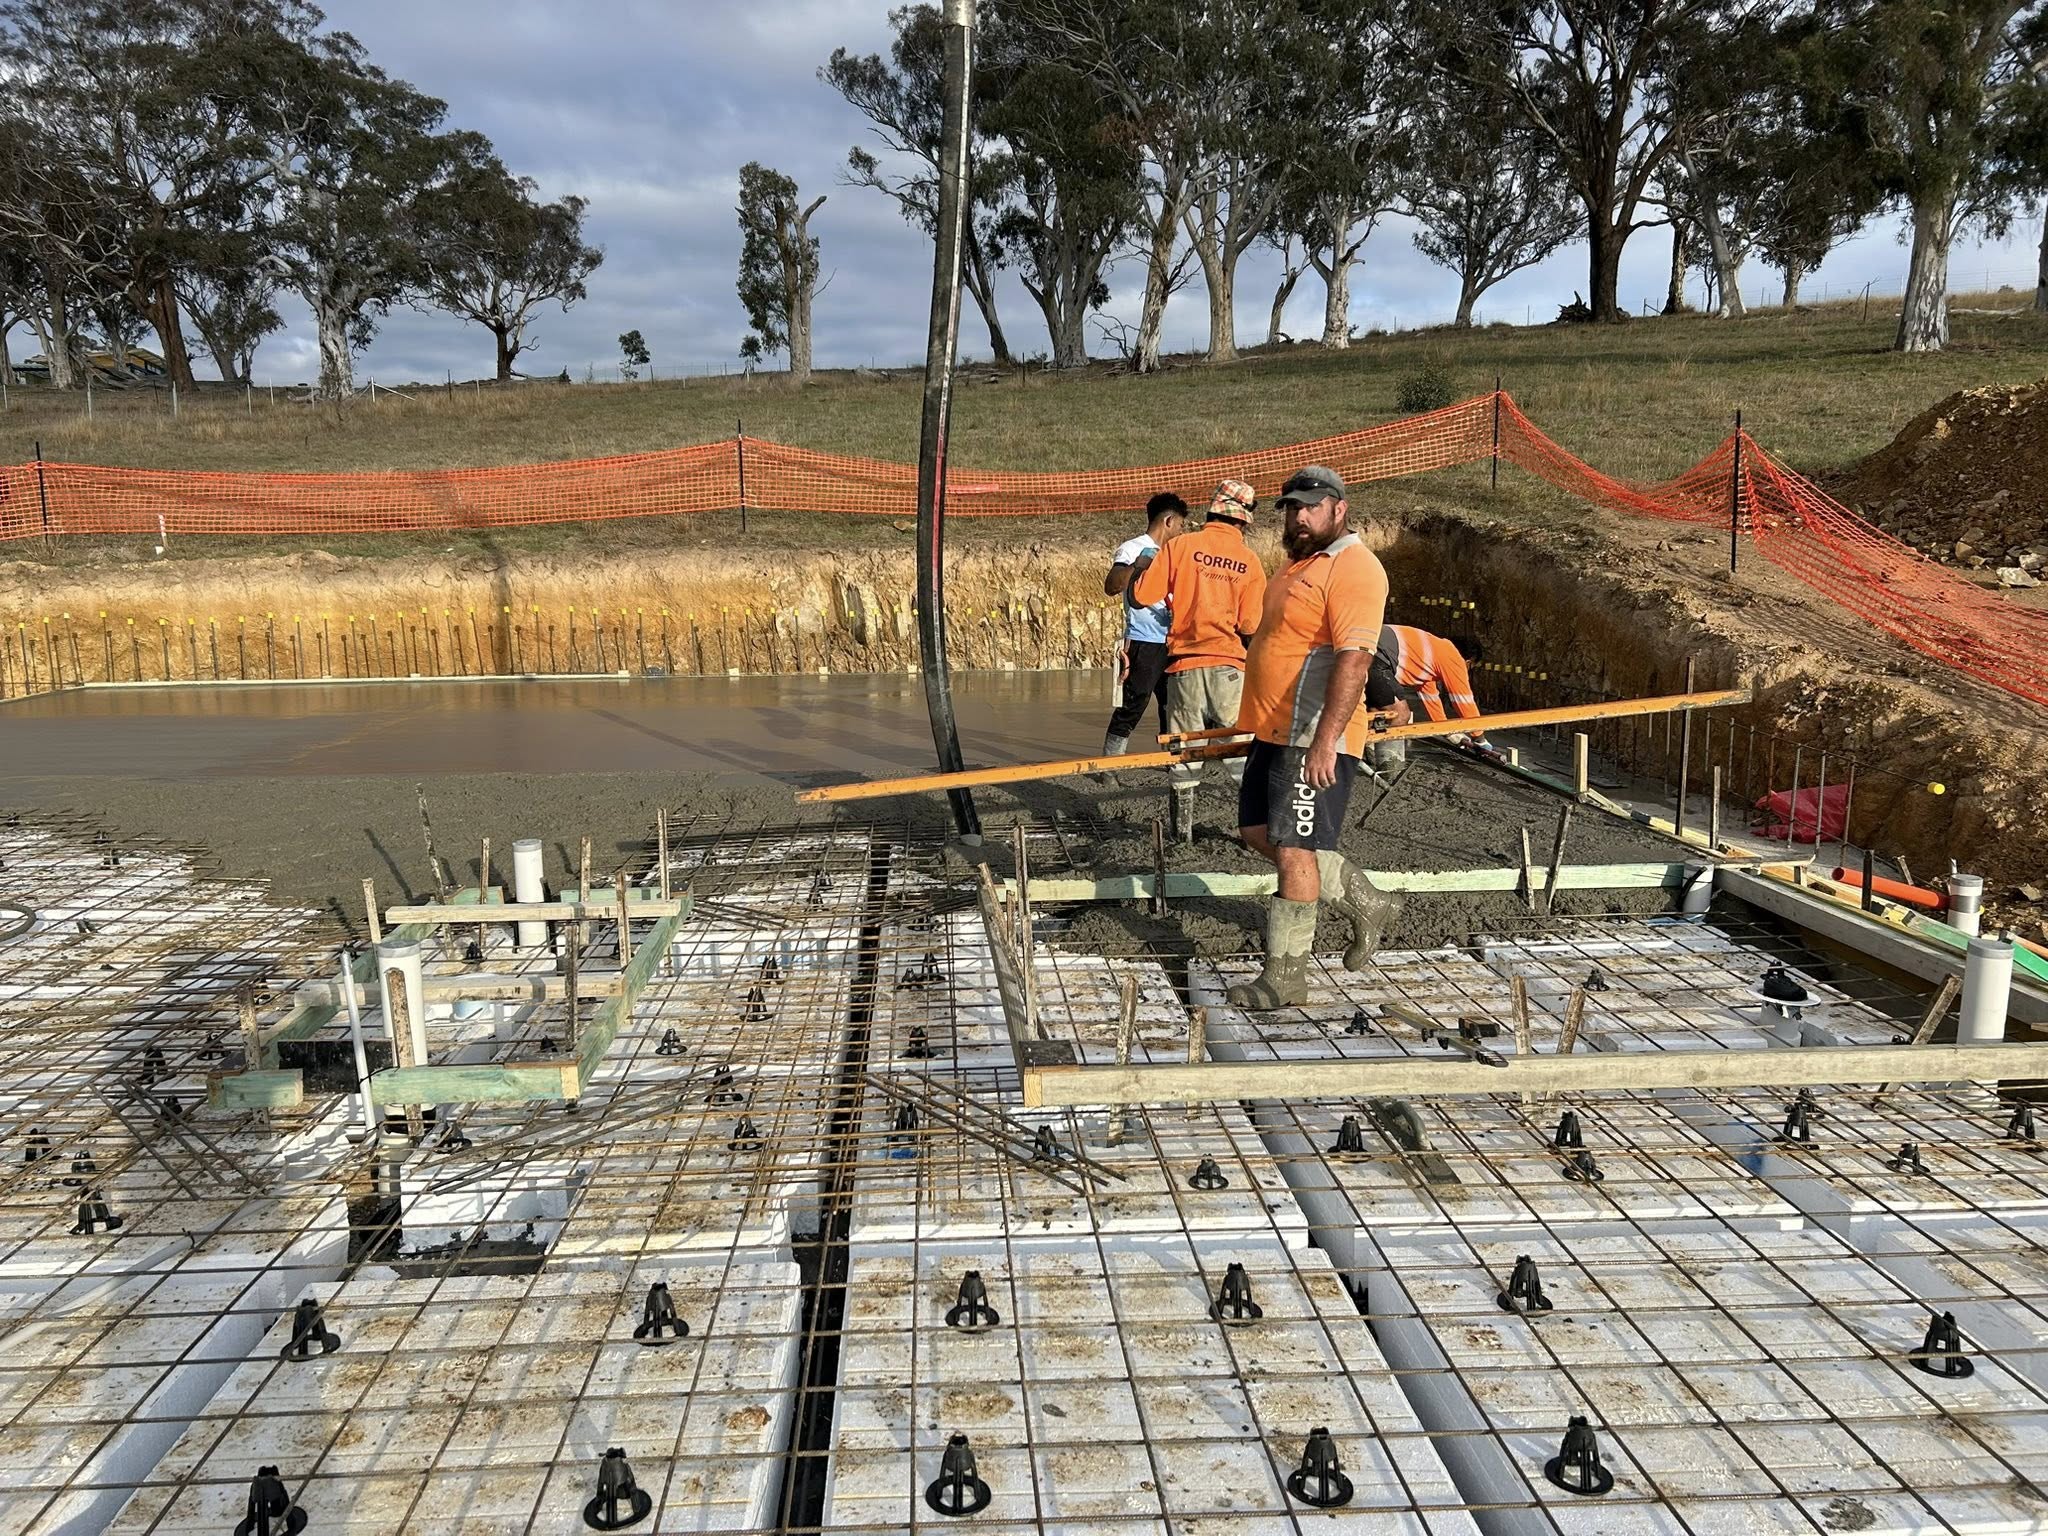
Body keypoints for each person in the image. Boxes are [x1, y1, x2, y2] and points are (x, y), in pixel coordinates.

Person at [1228, 465, 1404, 1009]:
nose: (1299, 517)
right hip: (1273, 730)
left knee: (1296, 851)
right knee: (1257, 832)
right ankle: (1367, 901)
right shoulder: (1297, 566)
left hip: (1310, 733)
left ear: (1338, 508)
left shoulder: (1354, 568)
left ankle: (1285, 978)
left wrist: (1328, 739)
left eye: (1310, 506)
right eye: (1291, 508)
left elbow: (1355, 657)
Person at [1130, 479, 1268, 841]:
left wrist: (1144, 566)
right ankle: (1254, 833)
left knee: (1184, 754)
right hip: (1229, 669)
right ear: (1243, 521)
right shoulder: (1250, 562)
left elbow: (1142, 596)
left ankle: (1182, 835)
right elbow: (1250, 623)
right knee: (1240, 754)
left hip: (1185, 668)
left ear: (1211, 512)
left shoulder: (1180, 546)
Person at [1101, 492, 1188, 756]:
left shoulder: (1178, 553)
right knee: (1134, 702)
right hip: (1144, 639)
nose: (1182, 531)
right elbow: (1111, 585)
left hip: (1174, 640)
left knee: (1174, 705)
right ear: (1169, 521)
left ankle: (1173, 760)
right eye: (1182, 525)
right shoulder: (1133, 548)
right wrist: (1138, 568)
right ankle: (1110, 763)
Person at [1366, 625, 1495, 777]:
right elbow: (1463, 700)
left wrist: (1447, 732)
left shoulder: (1430, 657)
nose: (1467, 671)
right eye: (1470, 667)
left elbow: (1431, 699)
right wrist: (1479, 738)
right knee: (1399, 714)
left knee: (1375, 711)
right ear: (1468, 661)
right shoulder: (1453, 657)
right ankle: (1389, 770)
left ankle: (1363, 755)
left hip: (1365, 644)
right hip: (1377, 654)